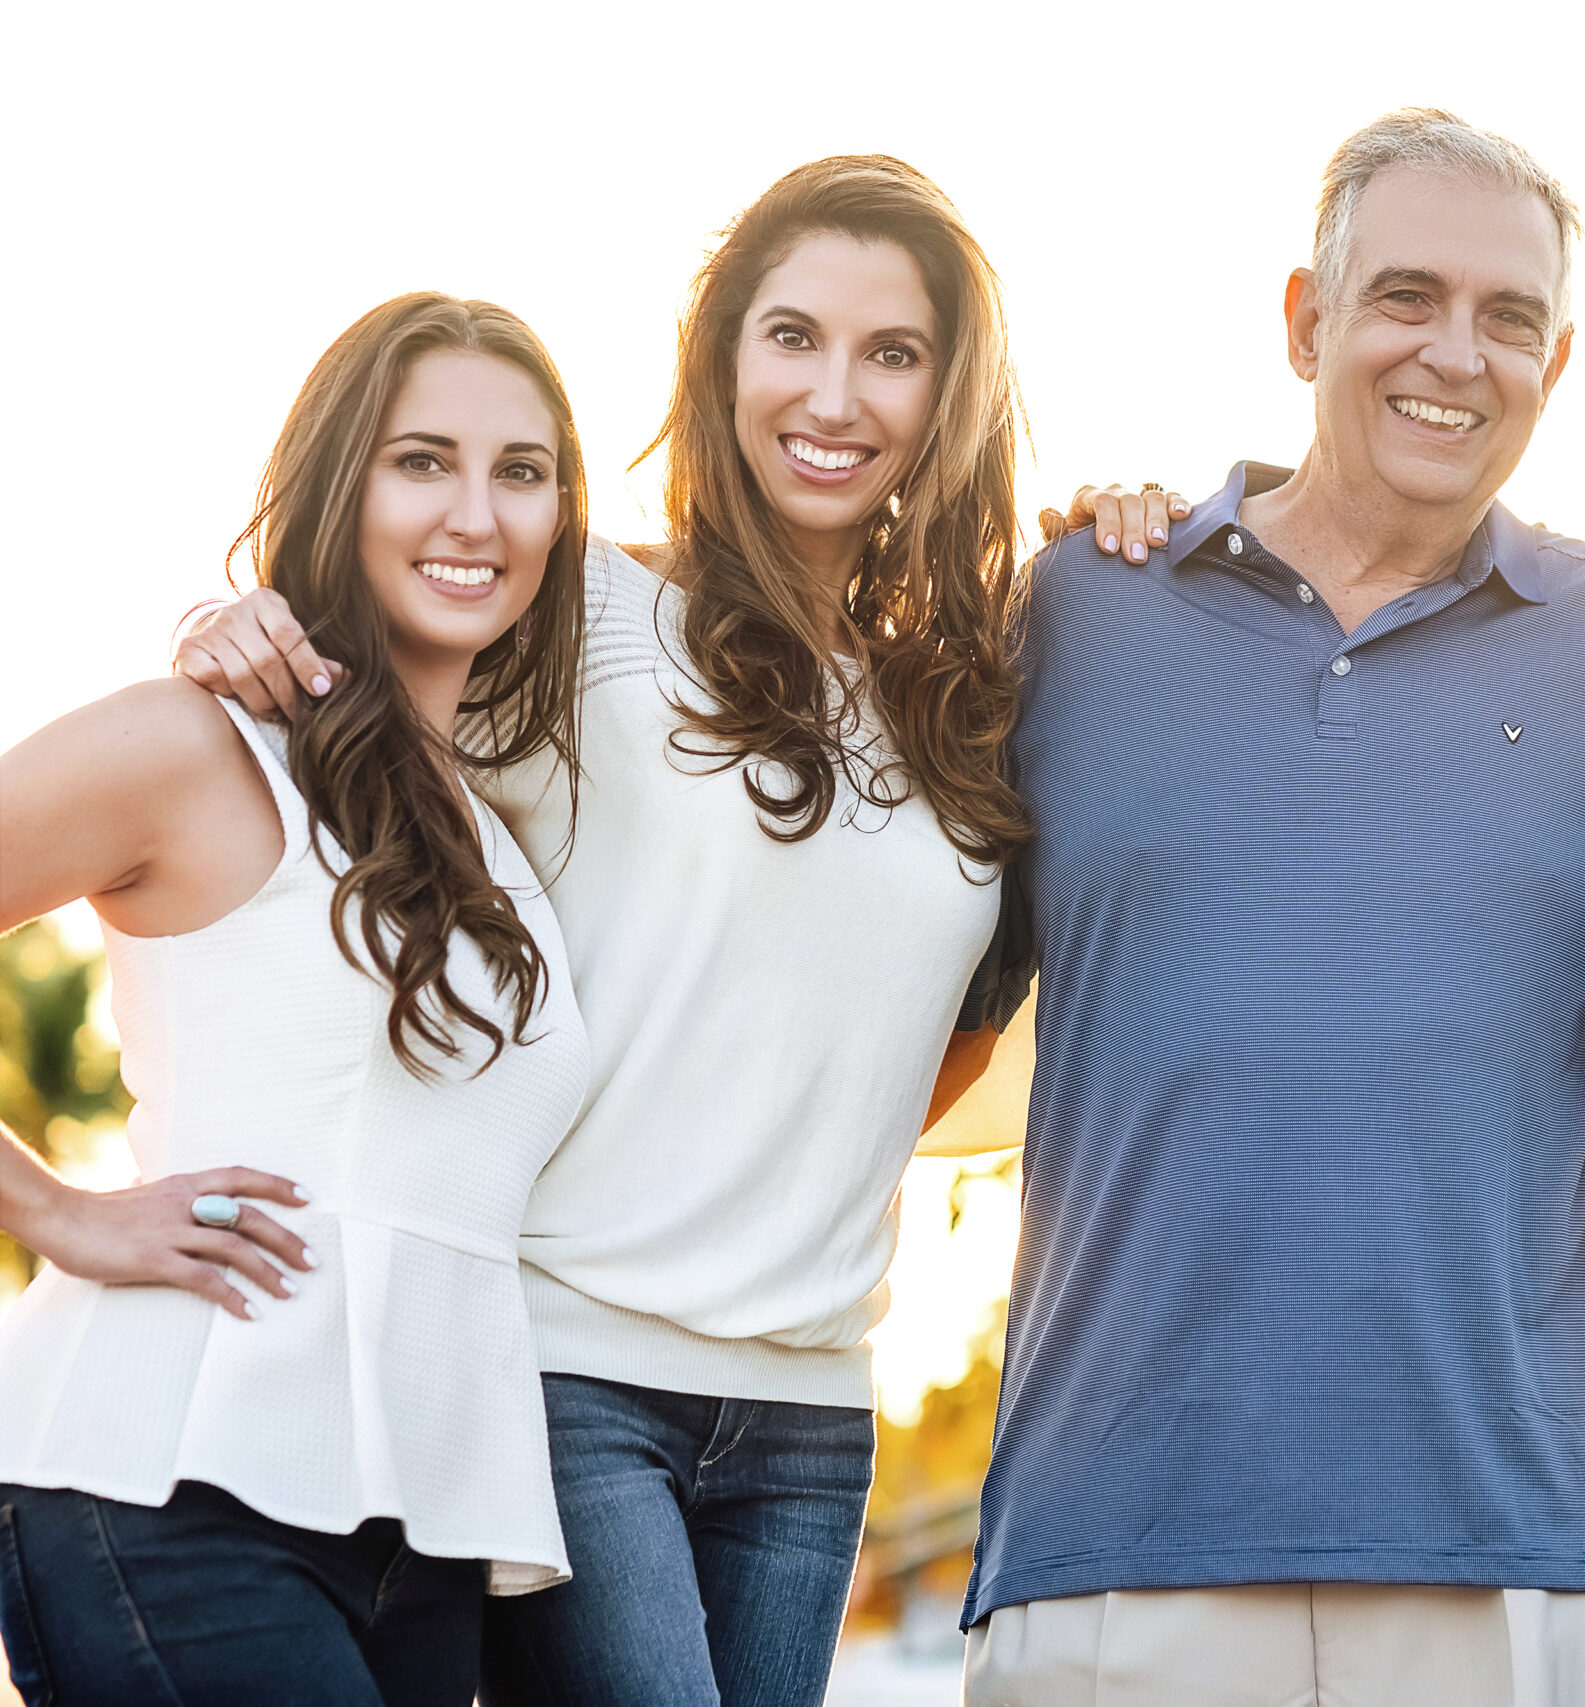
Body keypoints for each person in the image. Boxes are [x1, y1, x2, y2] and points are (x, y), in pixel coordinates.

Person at [174, 156, 1027, 1707]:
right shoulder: (583, 609)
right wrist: (226, 623)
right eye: (793, 336)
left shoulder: (961, 704)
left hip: (816, 1411)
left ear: (945, 394)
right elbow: (345, 669)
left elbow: (932, 1038)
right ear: (722, 355)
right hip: (562, 1367)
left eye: (892, 352)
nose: (834, 395)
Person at [958, 109, 1585, 1707]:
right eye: (1405, 296)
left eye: (1511, 318)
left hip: (1510, 1549)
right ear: (1305, 321)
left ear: (1557, 367)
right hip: (1110, 1537)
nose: (1457, 354)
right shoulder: (1079, 604)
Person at [0, 293, 591, 1706]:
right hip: (168, 1488)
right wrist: (59, 1210)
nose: (475, 515)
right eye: (421, 460)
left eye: (521, 471)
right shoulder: (197, 744)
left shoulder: (504, 837)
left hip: (422, 1534)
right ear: (339, 486)